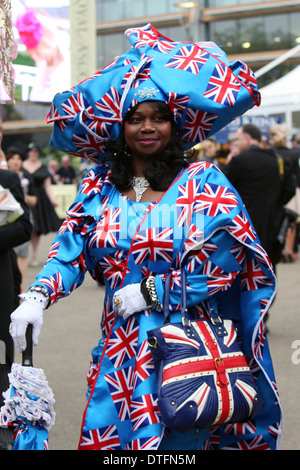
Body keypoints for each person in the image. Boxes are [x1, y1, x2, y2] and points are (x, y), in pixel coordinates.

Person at [8, 24, 282, 451]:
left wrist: (153, 291)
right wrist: (36, 298)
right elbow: (69, 253)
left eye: (159, 117)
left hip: (187, 348)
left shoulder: (203, 182)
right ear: (121, 128)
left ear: (175, 125)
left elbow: (228, 261)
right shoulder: (98, 187)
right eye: (136, 118)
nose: (147, 127)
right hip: (120, 351)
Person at [223, 123, 295, 269]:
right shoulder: (279, 160)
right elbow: (290, 190)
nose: (237, 143)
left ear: (247, 138)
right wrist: (275, 203)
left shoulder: (240, 161)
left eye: (238, 139)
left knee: (244, 269)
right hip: (272, 223)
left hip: (244, 226)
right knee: (269, 267)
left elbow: (221, 188)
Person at [0, 157, 32, 449]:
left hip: (1, 286)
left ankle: (5, 433)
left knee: (1, 363)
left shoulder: (6, 179)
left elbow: (24, 227)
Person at [22, 143, 61, 267]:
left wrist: (52, 200)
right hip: (24, 199)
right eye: (30, 151)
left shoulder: (43, 168)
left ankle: (33, 255)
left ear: (38, 153)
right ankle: (22, 254)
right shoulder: (21, 165)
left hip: (39, 201)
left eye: (35, 152)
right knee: (24, 227)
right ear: (28, 153)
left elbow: (48, 186)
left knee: (36, 229)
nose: (33, 154)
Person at [6, 147, 37, 291]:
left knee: (23, 253)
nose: (15, 161)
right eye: (12, 158)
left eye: (18, 158)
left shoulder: (26, 176)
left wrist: (19, 195)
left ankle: (21, 285)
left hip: (24, 218)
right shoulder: (4, 175)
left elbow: (34, 200)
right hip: (7, 220)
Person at [269, 124, 298, 262]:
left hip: (276, 193)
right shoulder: (293, 154)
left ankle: (281, 250)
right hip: (290, 192)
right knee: (291, 223)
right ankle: (289, 250)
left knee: (280, 222)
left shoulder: (272, 154)